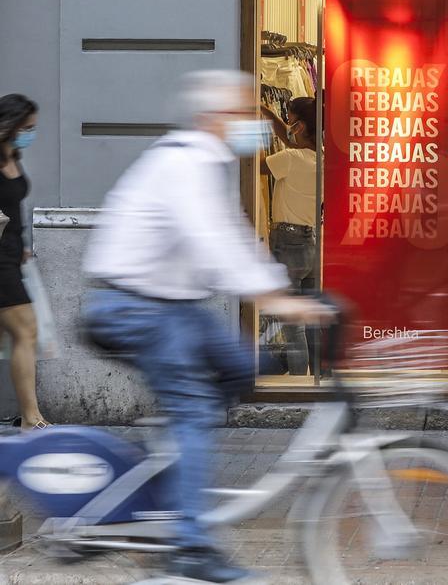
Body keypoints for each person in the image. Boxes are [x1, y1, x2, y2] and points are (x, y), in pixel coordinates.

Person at [82, 70, 329, 583]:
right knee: (195, 408)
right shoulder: (184, 165)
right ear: (214, 118)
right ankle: (192, 546)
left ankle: (172, 461)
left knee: (242, 367)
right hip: (136, 306)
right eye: (243, 113)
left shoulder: (204, 166)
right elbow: (213, 243)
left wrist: (275, 290)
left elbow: (232, 238)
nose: (254, 123)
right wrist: (278, 299)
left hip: (175, 306)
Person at [0, 94, 49, 430]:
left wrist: (24, 246)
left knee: (16, 335)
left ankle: (31, 418)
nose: (30, 134)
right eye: (26, 127)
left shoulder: (13, 155)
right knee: (26, 330)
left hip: (12, 256)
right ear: (10, 124)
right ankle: (31, 419)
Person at [262, 97, 318, 375]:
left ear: (300, 125)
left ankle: (298, 385)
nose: (288, 125)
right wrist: (269, 114)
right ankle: (318, 379)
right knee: (311, 321)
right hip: (310, 244)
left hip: (288, 244)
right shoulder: (318, 158)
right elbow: (290, 143)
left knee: (292, 323)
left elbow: (258, 166)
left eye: (291, 119)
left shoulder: (290, 159)